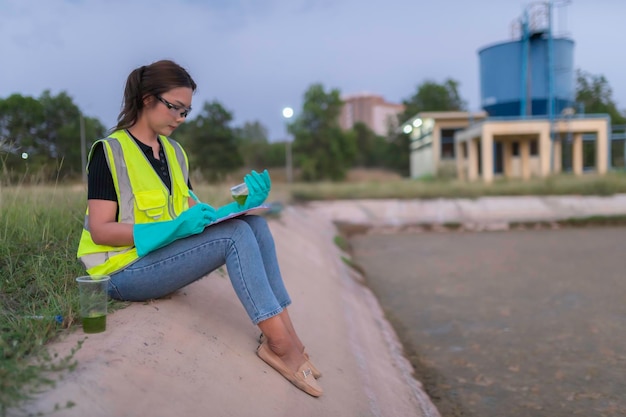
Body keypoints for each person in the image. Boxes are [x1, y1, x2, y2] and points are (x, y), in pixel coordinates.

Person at [76, 59, 323, 397]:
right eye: (175, 108)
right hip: (121, 271)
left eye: (186, 112)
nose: (180, 118)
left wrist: (243, 205)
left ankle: (291, 338)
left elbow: (200, 220)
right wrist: (173, 228)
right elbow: (102, 231)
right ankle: (279, 346)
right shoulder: (109, 152)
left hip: (160, 259)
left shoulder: (174, 153)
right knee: (236, 237)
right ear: (147, 98)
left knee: (252, 225)